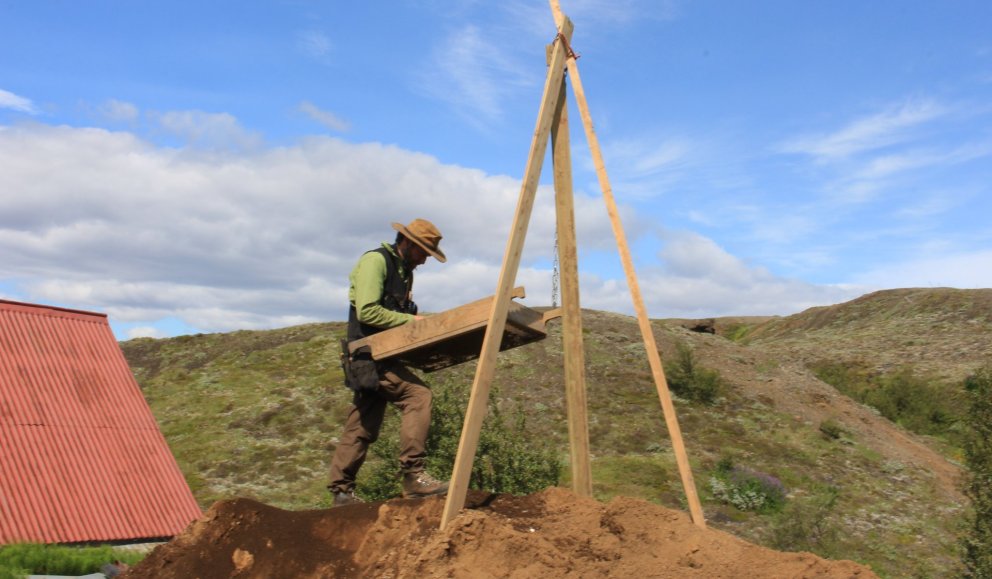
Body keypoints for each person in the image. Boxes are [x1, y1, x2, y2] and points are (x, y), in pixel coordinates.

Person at [328, 218, 450, 506]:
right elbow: (368, 312)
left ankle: (341, 491)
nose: (423, 261)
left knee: (363, 423)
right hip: (370, 356)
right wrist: (414, 320)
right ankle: (413, 475)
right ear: (406, 243)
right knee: (418, 396)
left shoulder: (404, 271)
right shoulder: (376, 261)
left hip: (381, 355)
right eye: (423, 252)